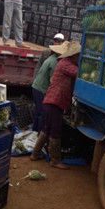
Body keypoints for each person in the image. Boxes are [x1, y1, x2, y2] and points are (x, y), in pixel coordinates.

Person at [30, 41, 81, 169]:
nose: (79, 59)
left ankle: (35, 154)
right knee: (55, 131)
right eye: (79, 56)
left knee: (46, 129)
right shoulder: (65, 64)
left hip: (51, 102)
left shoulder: (63, 62)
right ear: (73, 56)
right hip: (54, 102)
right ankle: (55, 160)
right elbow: (79, 72)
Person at [31, 40, 69, 133]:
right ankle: (38, 133)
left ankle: (34, 131)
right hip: (41, 89)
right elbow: (53, 80)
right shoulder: (55, 62)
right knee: (42, 113)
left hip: (36, 87)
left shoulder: (51, 57)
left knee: (38, 111)